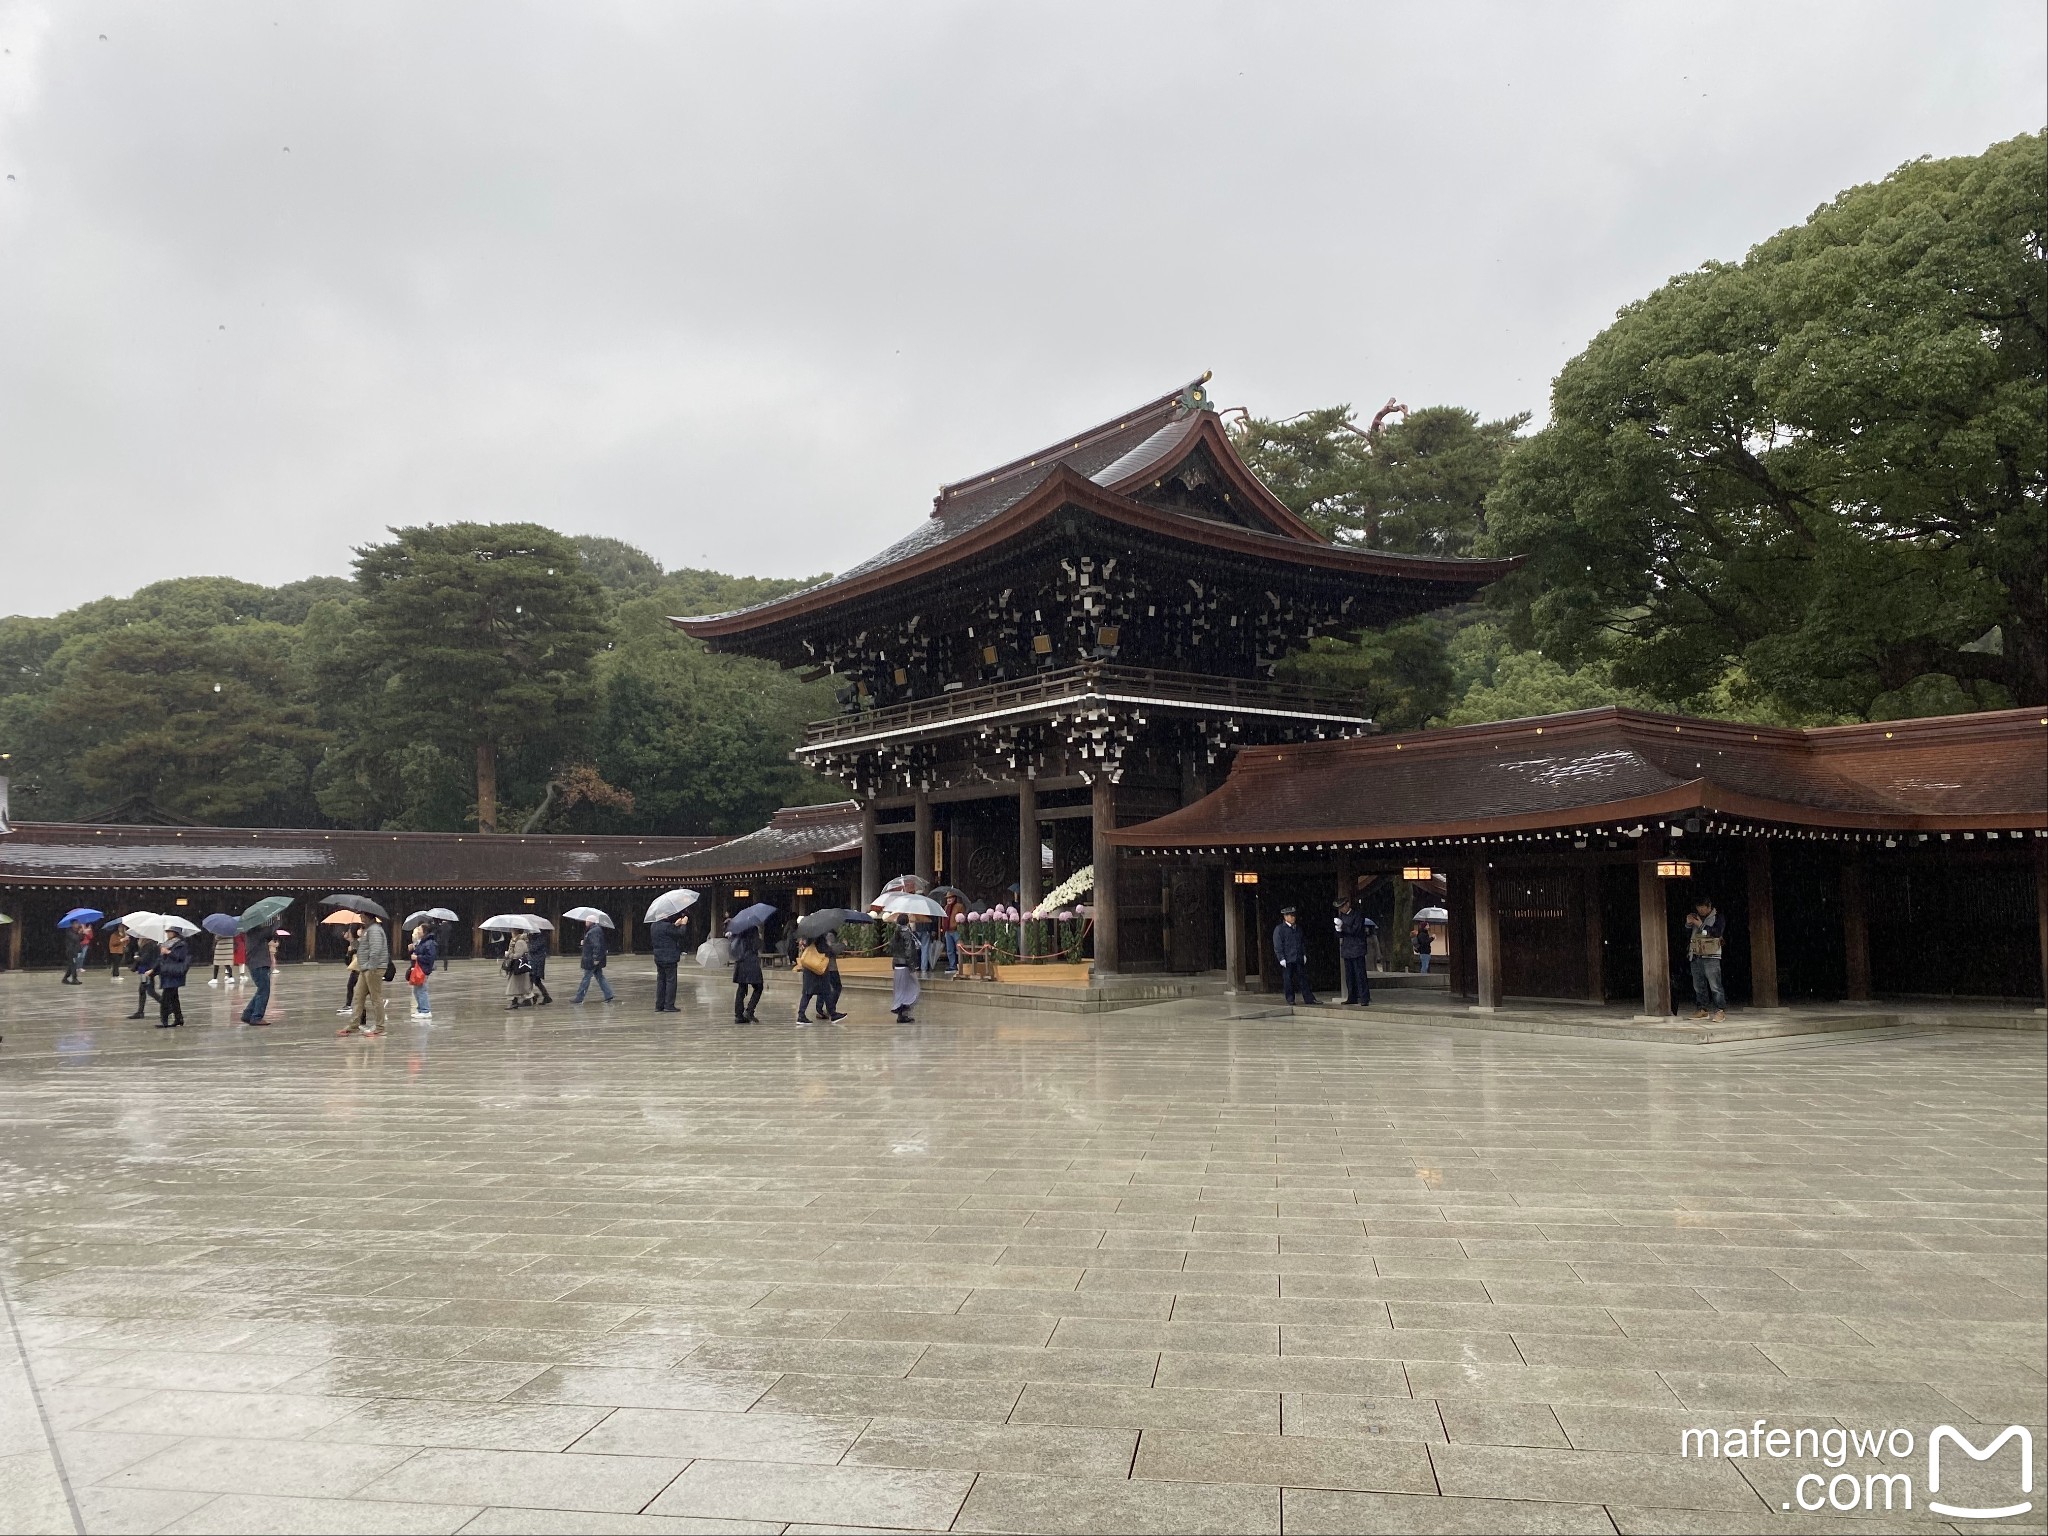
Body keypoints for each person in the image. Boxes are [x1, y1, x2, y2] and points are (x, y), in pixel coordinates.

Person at [339, 918, 388, 1036]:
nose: (360, 917)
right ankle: (354, 1024)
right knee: (358, 996)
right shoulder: (367, 930)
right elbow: (362, 948)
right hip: (364, 968)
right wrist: (352, 940)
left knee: (375, 997)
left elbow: (375, 951)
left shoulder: (374, 930)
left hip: (373, 968)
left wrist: (371, 966)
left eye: (362, 915)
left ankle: (380, 1027)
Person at [1685, 896, 1728, 1022]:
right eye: (1699, 909)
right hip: (1695, 954)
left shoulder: (1718, 917)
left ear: (1709, 907)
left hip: (1711, 956)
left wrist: (1701, 925)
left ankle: (1720, 1010)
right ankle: (1702, 1009)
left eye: (1703, 909)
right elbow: (1690, 935)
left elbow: (1716, 933)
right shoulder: (1696, 916)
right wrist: (1688, 924)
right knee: (1698, 985)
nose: (1701, 912)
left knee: (1715, 985)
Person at [1272, 906, 1316, 1005]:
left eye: (1293, 916)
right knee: (1288, 980)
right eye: (1291, 916)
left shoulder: (1297, 928)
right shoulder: (1280, 929)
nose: (1293, 918)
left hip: (1298, 957)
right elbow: (1278, 945)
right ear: (1285, 917)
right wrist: (1281, 958)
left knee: (1303, 979)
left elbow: (1301, 942)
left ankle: (1309, 998)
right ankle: (1290, 998)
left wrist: (1304, 954)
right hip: (1287, 958)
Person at [147, 932, 190, 1028]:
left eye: (169, 932)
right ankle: (179, 1019)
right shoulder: (166, 944)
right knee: (174, 998)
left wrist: (168, 952)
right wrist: (153, 970)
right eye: (166, 932)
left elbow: (180, 958)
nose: (167, 934)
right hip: (166, 973)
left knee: (166, 999)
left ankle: (164, 1021)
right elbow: (161, 960)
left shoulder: (181, 944)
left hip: (174, 973)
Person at [1337, 898, 1374, 1006]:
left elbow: (1355, 930)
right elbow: (1341, 934)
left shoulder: (1357, 915)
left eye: (1342, 906)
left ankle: (1364, 997)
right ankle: (1351, 996)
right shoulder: (1341, 916)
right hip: (1347, 947)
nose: (1341, 909)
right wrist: (1338, 930)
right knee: (1349, 975)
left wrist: (1343, 926)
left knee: (1360, 974)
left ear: (1347, 904)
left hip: (1357, 947)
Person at [795, 929, 837, 1023]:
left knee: (811, 993)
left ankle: (802, 1015)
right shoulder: (818, 935)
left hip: (809, 968)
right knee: (823, 991)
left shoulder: (807, 935)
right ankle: (832, 1014)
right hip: (817, 969)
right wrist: (832, 949)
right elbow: (823, 949)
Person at [240, 925, 276, 1025]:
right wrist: (277, 921)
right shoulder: (254, 932)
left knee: (261, 990)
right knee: (264, 990)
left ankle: (248, 1013)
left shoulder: (252, 933)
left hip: (257, 963)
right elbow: (268, 931)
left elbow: (267, 936)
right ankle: (256, 1016)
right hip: (259, 964)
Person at [729, 920, 763, 1023]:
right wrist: (760, 938)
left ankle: (738, 1015)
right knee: (758, 987)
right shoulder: (753, 929)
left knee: (741, 988)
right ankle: (749, 1010)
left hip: (740, 961)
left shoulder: (737, 930)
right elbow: (756, 945)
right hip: (750, 961)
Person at [649, 915, 685, 1013]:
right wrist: (683, 924)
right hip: (669, 957)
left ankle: (659, 1005)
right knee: (671, 981)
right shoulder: (667, 926)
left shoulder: (653, 926)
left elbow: (666, 934)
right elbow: (680, 934)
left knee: (661, 981)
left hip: (658, 957)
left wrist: (674, 925)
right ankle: (669, 1005)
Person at [573, 919, 614, 1004]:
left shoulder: (593, 931)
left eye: (587, 920)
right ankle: (609, 994)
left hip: (591, 960)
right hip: (592, 959)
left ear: (591, 921)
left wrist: (596, 958)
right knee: (600, 977)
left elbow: (597, 945)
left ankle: (579, 998)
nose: (585, 922)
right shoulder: (594, 930)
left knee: (586, 978)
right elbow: (593, 943)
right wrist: (585, 942)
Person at [889, 915, 920, 1022]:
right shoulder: (907, 933)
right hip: (905, 964)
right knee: (911, 989)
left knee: (900, 990)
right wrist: (912, 966)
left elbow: (892, 949)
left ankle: (901, 1013)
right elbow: (909, 951)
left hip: (897, 964)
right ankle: (903, 1013)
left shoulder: (895, 933)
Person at [125, 937, 161, 1019]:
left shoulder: (150, 946)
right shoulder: (147, 945)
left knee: (150, 991)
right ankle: (140, 1012)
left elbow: (145, 959)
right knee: (142, 990)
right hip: (144, 971)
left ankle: (167, 1006)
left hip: (147, 971)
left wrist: (137, 957)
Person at [407, 924, 437, 1021]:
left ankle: (425, 1010)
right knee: (417, 990)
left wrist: (418, 957)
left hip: (423, 969)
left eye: (419, 930)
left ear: (424, 932)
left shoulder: (429, 943)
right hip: (418, 968)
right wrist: (413, 949)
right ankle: (420, 1009)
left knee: (421, 990)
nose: (418, 931)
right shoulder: (422, 942)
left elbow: (430, 958)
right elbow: (420, 952)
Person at [503, 930, 534, 1010]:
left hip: (518, 967)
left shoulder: (519, 942)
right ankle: (527, 999)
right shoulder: (516, 941)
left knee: (514, 985)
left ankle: (514, 1002)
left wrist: (509, 955)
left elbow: (518, 955)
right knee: (520, 985)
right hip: (518, 967)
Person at [527, 924, 554, 1006]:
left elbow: (532, 948)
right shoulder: (535, 937)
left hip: (537, 962)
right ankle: (545, 996)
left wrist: (528, 942)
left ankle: (529, 997)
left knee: (532, 979)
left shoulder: (540, 938)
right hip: (534, 961)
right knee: (535, 980)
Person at [942, 895, 963, 974]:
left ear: (954, 898)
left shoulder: (959, 906)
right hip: (948, 930)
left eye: (950, 898)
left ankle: (961, 965)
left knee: (959, 948)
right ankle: (952, 966)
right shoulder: (946, 907)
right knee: (950, 950)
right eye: (947, 898)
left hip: (956, 930)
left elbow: (962, 917)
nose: (948, 899)